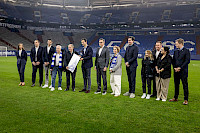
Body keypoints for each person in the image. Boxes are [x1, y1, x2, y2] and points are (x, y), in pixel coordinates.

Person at [169, 38, 190, 105]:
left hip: (183, 71)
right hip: (176, 71)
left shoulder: (186, 51)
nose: (175, 45)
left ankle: (186, 99)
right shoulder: (176, 51)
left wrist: (180, 68)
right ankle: (175, 97)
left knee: (185, 85)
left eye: (176, 44)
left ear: (180, 43)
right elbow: (173, 61)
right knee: (176, 85)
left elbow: (187, 61)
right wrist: (175, 67)